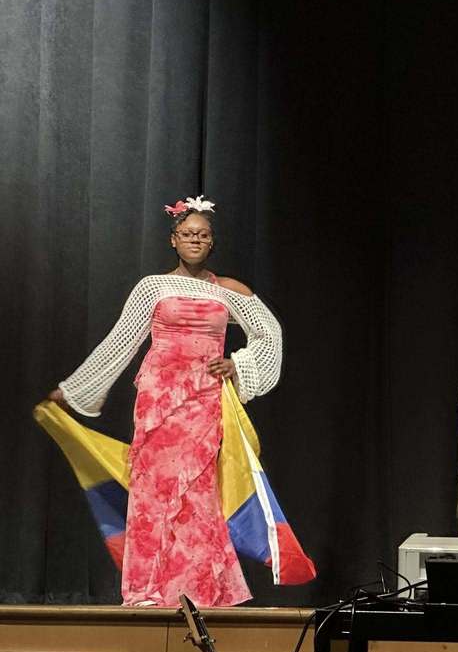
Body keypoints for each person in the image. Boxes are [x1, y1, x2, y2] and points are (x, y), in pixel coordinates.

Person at [47, 196, 283, 607]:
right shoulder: (153, 287)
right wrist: (73, 389)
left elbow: (270, 333)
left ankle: (201, 592)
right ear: (174, 239)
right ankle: (147, 591)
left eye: (203, 235)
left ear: (212, 242)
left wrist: (239, 364)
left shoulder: (228, 290)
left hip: (203, 400)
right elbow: (120, 343)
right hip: (160, 399)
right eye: (187, 234)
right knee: (153, 492)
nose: (195, 240)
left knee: (197, 492)